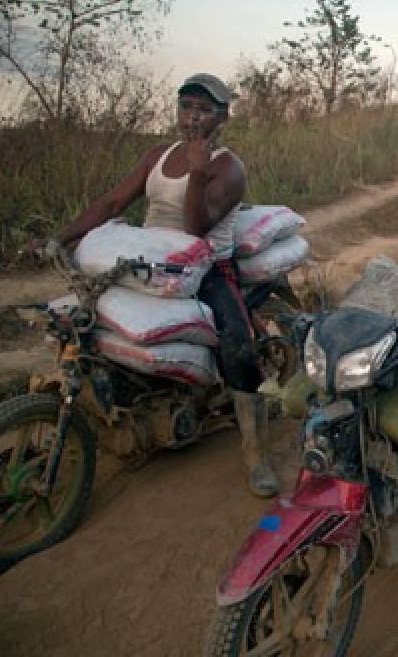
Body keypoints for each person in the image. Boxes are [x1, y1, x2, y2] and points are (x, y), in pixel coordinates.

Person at [44, 74, 280, 497]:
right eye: (186, 106)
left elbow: (196, 227)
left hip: (209, 267)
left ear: (221, 118)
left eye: (204, 110)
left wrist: (197, 172)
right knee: (88, 318)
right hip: (153, 260)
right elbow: (114, 204)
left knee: (237, 346)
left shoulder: (228, 166)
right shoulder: (157, 155)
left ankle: (256, 454)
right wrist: (61, 237)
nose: (192, 117)